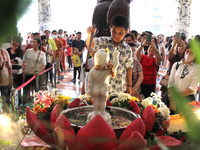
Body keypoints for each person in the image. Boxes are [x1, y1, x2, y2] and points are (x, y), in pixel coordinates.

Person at [86, 14, 133, 94]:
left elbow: (128, 68)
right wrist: (90, 34)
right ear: (110, 28)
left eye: (120, 33)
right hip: (101, 87)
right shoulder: (103, 41)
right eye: (114, 31)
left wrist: (129, 86)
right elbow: (90, 44)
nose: (116, 35)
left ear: (126, 32)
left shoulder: (127, 49)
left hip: (119, 88)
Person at [87, 49, 119, 123]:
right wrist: (115, 56)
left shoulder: (92, 71)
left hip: (95, 89)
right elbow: (115, 66)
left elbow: (90, 82)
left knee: (96, 102)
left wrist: (89, 90)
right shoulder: (107, 70)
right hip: (104, 88)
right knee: (103, 102)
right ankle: (102, 112)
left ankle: (95, 112)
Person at [168, 43, 200, 112]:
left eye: (192, 52)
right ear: (184, 51)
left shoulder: (197, 69)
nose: (189, 54)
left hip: (187, 100)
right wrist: (171, 99)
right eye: (187, 51)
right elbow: (171, 82)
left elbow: (192, 88)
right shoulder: (176, 65)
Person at [22, 38, 46, 107]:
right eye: (32, 42)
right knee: (25, 88)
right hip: (28, 73)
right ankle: (23, 102)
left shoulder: (41, 53)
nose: (32, 43)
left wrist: (38, 72)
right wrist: (23, 69)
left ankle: (38, 103)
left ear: (38, 44)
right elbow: (24, 61)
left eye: (34, 42)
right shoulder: (28, 51)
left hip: (36, 75)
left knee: (37, 89)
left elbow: (43, 65)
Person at [6, 36, 23, 112]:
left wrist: (9, 60)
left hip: (18, 73)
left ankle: (19, 105)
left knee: (18, 89)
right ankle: (9, 106)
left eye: (16, 41)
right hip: (8, 73)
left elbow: (16, 61)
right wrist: (10, 60)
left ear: (19, 43)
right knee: (8, 90)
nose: (14, 42)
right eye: (13, 40)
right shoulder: (7, 50)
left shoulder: (20, 51)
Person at [0, 48, 13, 113]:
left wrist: (11, 78)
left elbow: (9, 66)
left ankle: (7, 114)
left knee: (6, 98)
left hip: (5, 79)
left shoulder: (4, 52)